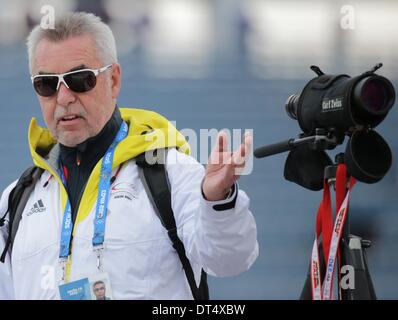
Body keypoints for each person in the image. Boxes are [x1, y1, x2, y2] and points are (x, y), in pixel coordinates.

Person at [0, 12, 258, 300]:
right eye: (46, 83)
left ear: (113, 80)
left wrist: (219, 202)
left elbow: (231, 260)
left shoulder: (169, 173)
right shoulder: (17, 199)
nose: (63, 98)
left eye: (80, 79)